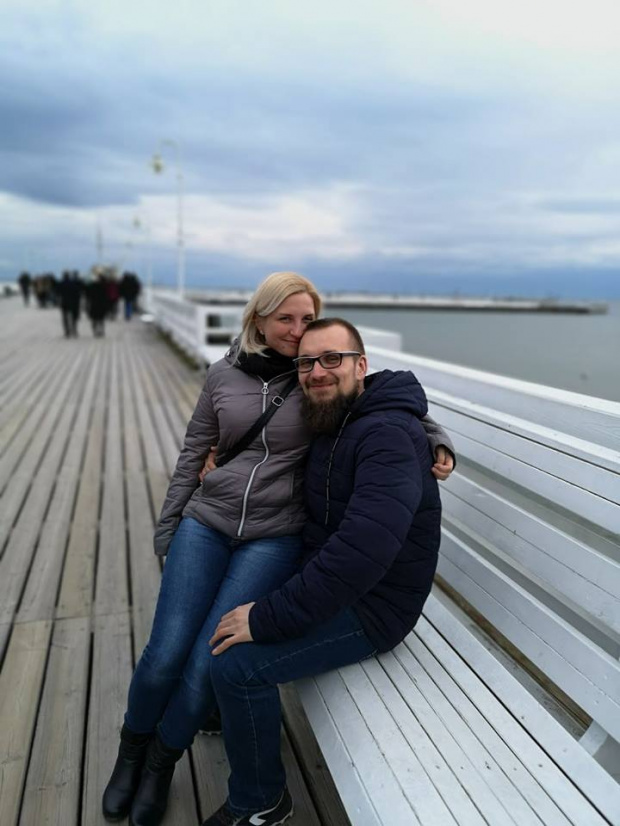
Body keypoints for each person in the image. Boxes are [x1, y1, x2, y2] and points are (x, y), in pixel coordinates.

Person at [101, 273, 454, 826]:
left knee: (212, 657)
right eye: (286, 320)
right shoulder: (240, 376)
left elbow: (386, 402)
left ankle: (169, 766)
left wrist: (435, 438)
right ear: (258, 321)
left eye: (307, 321)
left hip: (282, 539)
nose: (298, 334)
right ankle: (132, 754)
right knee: (165, 652)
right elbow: (195, 450)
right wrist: (168, 528)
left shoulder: (322, 385)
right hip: (213, 520)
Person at [201, 317, 446, 825]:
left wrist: (268, 618)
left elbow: (361, 552)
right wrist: (220, 461)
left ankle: (261, 801)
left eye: (332, 359)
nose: (317, 372)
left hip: (376, 606)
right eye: (307, 362)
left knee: (237, 666)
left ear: (361, 366)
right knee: (221, 596)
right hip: (330, 572)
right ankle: (232, 713)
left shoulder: (386, 436)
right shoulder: (336, 415)